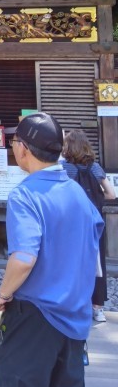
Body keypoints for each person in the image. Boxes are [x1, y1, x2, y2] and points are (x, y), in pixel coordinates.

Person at [0, 112, 104, 387]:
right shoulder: (78, 194)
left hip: (34, 318)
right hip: (75, 320)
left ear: (23, 148)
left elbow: (24, 258)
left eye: (14, 142)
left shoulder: (25, 195)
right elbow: (93, 255)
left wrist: (2, 293)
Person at [62, 129, 116, 323]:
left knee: (72, 261)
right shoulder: (95, 168)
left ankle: (75, 305)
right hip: (95, 223)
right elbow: (111, 195)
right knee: (97, 262)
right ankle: (98, 308)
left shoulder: (65, 168)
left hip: (72, 222)